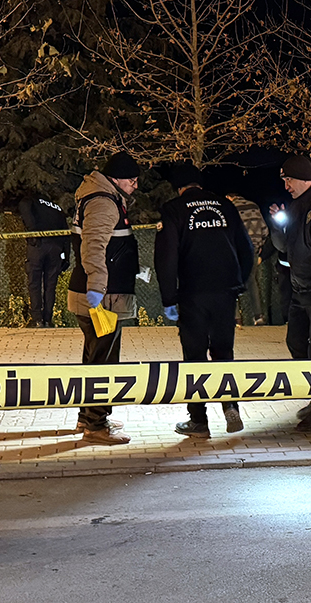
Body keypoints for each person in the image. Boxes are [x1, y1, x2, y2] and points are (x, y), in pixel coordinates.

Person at [155, 163, 255, 437]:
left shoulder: (174, 209)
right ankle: (230, 405)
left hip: (193, 293)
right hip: (225, 292)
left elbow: (166, 256)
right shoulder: (225, 205)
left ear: (178, 187)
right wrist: (239, 283)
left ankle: (198, 420)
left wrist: (169, 297)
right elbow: (246, 248)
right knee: (224, 352)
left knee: (195, 356)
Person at [67, 152, 142, 445]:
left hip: (99, 294)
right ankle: (96, 425)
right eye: (131, 180)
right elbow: (93, 246)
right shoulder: (103, 203)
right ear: (116, 179)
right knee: (103, 361)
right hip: (103, 298)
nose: (135, 185)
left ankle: (88, 416)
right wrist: (97, 286)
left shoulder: (98, 198)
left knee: (94, 356)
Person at [270, 155, 311, 431]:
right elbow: (284, 248)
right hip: (299, 289)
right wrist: (277, 227)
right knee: (296, 342)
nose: (286, 186)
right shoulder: (297, 205)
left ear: (304, 178)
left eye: (289, 180)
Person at [18, 194, 70, 327]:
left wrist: (32, 233)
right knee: (50, 285)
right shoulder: (56, 208)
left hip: (38, 246)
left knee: (34, 282)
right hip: (56, 248)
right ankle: (47, 319)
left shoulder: (30, 200)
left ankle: (37, 319)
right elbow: (66, 233)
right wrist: (66, 256)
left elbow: (24, 207)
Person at [226, 193, 268, 326]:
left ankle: (236, 318)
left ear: (229, 197)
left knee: (231, 281)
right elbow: (265, 230)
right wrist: (259, 245)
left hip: (237, 249)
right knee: (252, 281)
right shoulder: (254, 206)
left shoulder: (230, 207)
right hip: (253, 249)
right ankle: (258, 316)